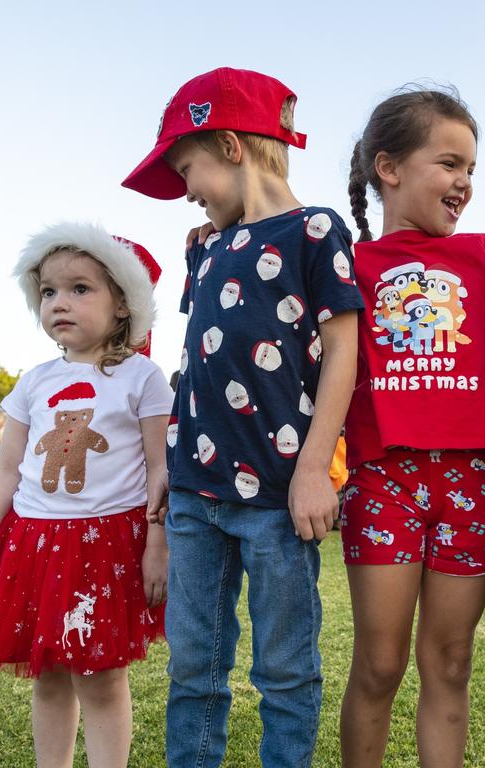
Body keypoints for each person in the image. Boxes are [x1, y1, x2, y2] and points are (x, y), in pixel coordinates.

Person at [122, 67, 362, 768]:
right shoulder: (203, 246)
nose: (187, 190)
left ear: (230, 145)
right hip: (196, 493)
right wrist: (169, 466)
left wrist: (315, 468)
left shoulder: (315, 231)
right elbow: (199, 365)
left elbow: (344, 351)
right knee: (194, 667)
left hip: (279, 498)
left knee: (285, 668)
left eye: (187, 168)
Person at [340, 87, 485, 768]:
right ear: (388, 167)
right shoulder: (347, 268)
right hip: (383, 479)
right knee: (379, 666)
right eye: (450, 164)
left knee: (449, 663)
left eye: (472, 169)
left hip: (472, 482)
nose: (465, 183)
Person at [0, 222, 171, 767]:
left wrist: (156, 545)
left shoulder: (142, 377)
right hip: (33, 543)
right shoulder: (34, 381)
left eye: (80, 288)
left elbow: (159, 469)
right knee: (48, 675)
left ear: (123, 305)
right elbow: (6, 470)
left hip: (104, 545)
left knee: (100, 678)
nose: (60, 302)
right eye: (48, 291)